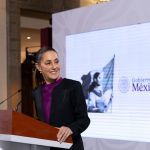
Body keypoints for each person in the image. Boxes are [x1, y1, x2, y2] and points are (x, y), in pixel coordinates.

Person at [32, 47, 90, 150]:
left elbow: (84, 119)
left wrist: (70, 128)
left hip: (70, 147)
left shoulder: (73, 86)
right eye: (48, 63)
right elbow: (42, 121)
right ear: (39, 67)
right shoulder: (36, 92)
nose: (54, 67)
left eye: (56, 62)